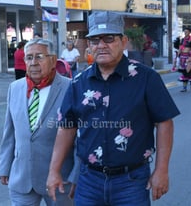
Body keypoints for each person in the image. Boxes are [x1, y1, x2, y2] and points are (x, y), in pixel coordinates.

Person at [46, 11, 180, 205]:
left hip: (131, 181)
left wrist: (161, 170)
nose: (101, 45)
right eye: (94, 40)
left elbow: (164, 122)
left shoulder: (146, 78)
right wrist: (54, 171)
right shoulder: (78, 83)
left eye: (109, 38)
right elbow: (67, 127)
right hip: (88, 180)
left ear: (123, 41)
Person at [0, 38, 79, 206]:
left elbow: (80, 137)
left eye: (39, 56)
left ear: (53, 60)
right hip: (22, 177)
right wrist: (4, 166)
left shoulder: (71, 88)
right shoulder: (15, 88)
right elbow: (10, 131)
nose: (33, 63)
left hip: (60, 180)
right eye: (29, 57)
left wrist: (76, 176)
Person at [173, 27, 191, 92]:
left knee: (189, 73)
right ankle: (184, 88)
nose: (185, 32)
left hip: (189, 58)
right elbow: (180, 48)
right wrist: (177, 57)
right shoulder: (182, 40)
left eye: (186, 31)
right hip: (182, 58)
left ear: (189, 32)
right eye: (184, 31)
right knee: (184, 73)